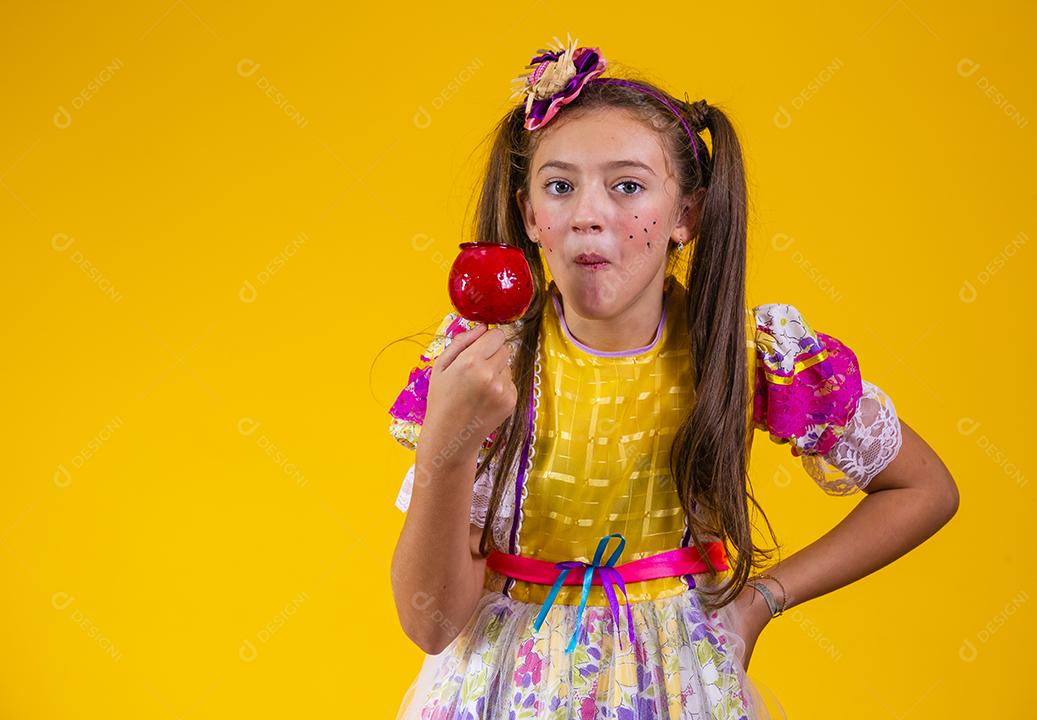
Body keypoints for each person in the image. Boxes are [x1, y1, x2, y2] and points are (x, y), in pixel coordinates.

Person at [387, 34, 959, 719]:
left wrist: (761, 601)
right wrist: (445, 442)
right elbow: (428, 623)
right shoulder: (486, 365)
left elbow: (923, 490)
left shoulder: (743, 353)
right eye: (560, 186)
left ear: (686, 215)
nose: (589, 215)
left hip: (675, 687)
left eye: (627, 186)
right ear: (531, 215)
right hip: (505, 689)